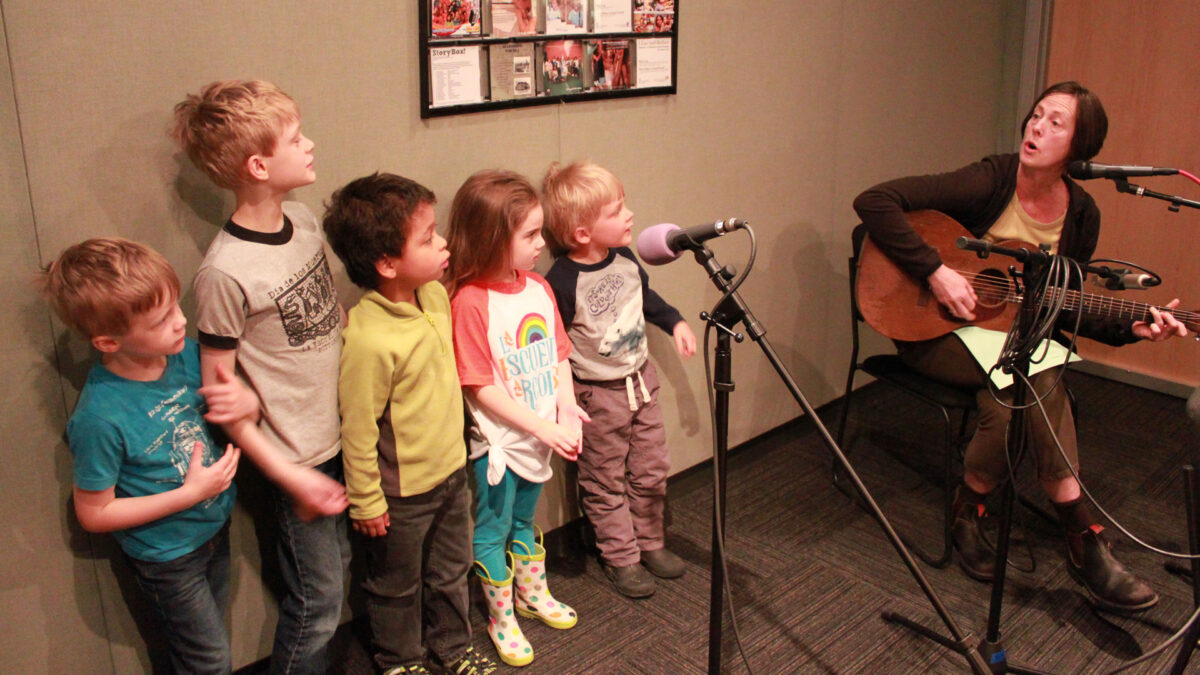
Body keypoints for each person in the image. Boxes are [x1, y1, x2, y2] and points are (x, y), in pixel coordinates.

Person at [853, 81, 1187, 614]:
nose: (1037, 127)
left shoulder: (1081, 216)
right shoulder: (991, 179)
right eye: (1037, 115)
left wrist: (1132, 328)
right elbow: (875, 201)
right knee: (1038, 373)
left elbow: (1063, 304)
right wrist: (936, 271)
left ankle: (970, 508)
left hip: (1015, 349)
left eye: (1057, 123)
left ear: (1081, 146)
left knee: (1014, 394)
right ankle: (1081, 535)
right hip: (936, 333)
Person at [172, 79, 351, 674]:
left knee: (342, 576)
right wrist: (288, 474)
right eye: (296, 139)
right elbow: (221, 393)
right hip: (295, 456)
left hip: (340, 434)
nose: (310, 145)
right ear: (257, 164)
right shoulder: (223, 273)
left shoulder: (302, 220)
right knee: (319, 603)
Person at [41, 238, 241, 674]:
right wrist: (189, 495)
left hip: (214, 528)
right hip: (168, 556)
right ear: (109, 342)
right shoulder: (100, 416)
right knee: (209, 660)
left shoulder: (185, 355)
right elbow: (95, 513)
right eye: (162, 319)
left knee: (211, 648)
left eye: (175, 308)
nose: (181, 321)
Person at [322, 173, 495, 675]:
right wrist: (367, 499)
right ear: (386, 263)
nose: (442, 244)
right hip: (400, 493)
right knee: (395, 585)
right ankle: (401, 659)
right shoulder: (370, 338)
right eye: (428, 238)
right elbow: (357, 428)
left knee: (450, 573)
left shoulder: (435, 296)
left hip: (452, 474)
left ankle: (454, 648)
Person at [444, 169, 589, 668]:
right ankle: (499, 617)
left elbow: (558, 354)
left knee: (526, 520)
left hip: (540, 437)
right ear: (490, 238)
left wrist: (565, 408)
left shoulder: (539, 288)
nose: (541, 243)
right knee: (492, 528)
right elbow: (478, 385)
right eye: (528, 235)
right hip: (499, 446)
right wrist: (541, 424)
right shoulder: (469, 302)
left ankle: (531, 595)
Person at [540, 161, 696, 598]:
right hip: (598, 395)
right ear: (582, 233)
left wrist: (675, 322)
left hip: (641, 383)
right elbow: (557, 345)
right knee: (604, 479)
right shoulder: (561, 281)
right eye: (615, 211)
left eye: (624, 206)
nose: (629, 216)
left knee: (651, 469)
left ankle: (650, 542)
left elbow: (645, 298)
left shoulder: (625, 259)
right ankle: (620, 556)